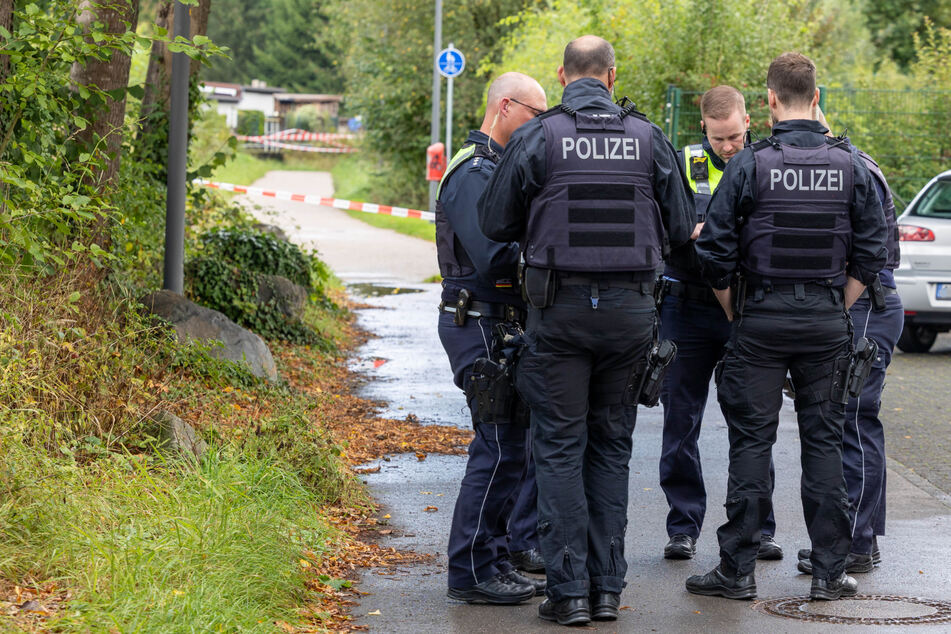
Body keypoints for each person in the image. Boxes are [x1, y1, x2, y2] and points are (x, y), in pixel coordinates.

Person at [478, 36, 694, 626]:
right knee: (611, 448)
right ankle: (605, 591)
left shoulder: (537, 136)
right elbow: (679, 228)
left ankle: (568, 594)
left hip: (559, 315)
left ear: (562, 74)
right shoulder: (650, 139)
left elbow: (494, 220)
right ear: (612, 76)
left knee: (558, 449)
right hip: (630, 316)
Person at [688, 52, 887, 601]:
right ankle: (829, 571)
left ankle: (738, 571)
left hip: (761, 319)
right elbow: (874, 251)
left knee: (752, 440)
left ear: (769, 101)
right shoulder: (849, 165)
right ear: (816, 98)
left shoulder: (751, 164)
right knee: (824, 442)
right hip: (826, 321)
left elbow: (714, 250)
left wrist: (734, 311)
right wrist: (839, 305)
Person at [658, 85, 782, 562]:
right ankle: (682, 526)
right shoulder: (682, 162)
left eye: (734, 136)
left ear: (748, 120)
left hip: (743, 310)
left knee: (752, 425)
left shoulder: (766, 162)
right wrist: (685, 232)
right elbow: (662, 225)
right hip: (686, 306)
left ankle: (758, 527)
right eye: (718, 138)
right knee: (680, 421)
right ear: (703, 127)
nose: (728, 146)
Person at [439, 72, 549, 606]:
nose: (541, 126)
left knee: (515, 447)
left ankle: (496, 557)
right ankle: (471, 571)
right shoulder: (473, 172)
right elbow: (496, 255)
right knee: (499, 443)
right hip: (478, 319)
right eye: (536, 114)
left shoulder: (500, 169)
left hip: (500, 321)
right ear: (506, 107)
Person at [796, 106, 904, 576]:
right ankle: (861, 539)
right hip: (866, 304)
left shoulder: (853, 167)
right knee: (854, 421)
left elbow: (869, 253)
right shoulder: (853, 162)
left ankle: (857, 544)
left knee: (854, 422)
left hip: (867, 303)